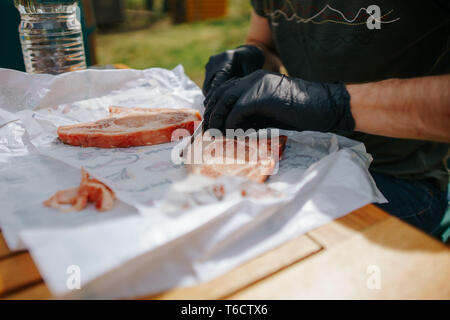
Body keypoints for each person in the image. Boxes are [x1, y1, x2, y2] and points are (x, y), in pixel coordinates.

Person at [202, 1, 450, 236]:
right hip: (304, 156)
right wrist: (251, 54)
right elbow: (263, 42)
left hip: (396, 176)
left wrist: (337, 104)